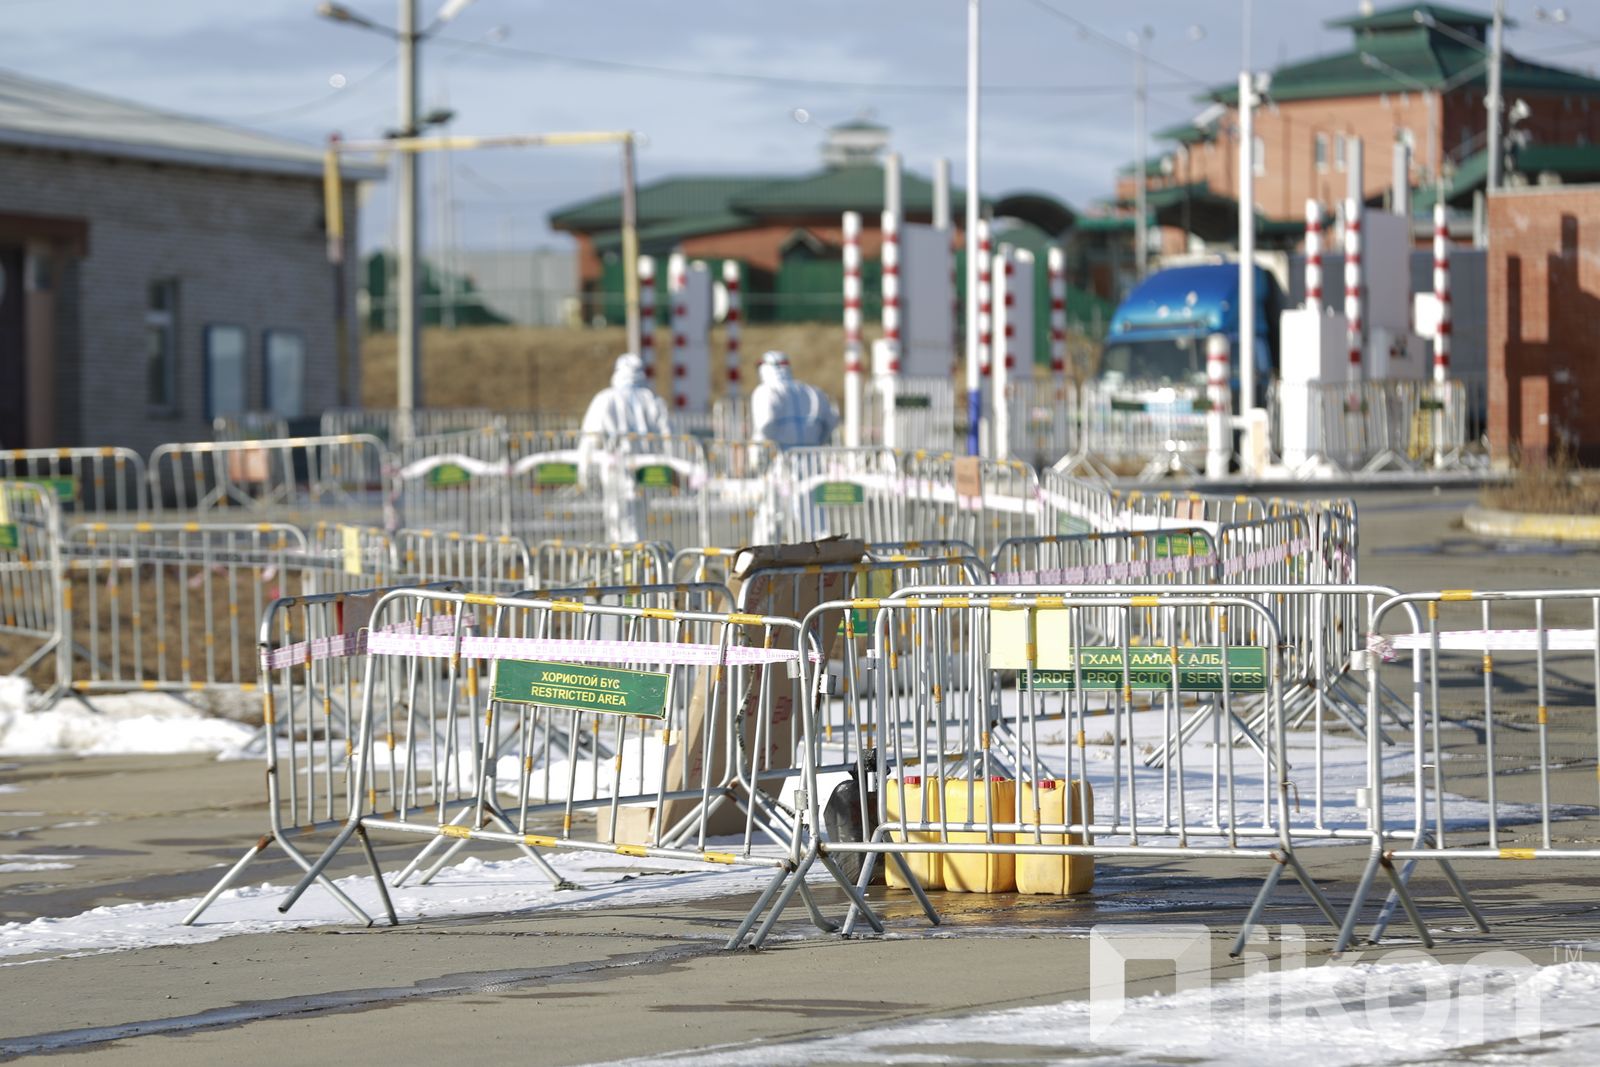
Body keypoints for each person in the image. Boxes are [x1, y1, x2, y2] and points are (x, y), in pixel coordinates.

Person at [579, 353, 673, 541]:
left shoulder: (605, 399)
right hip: (646, 470)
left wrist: (584, 471)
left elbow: (589, 438)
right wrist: (670, 469)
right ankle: (636, 561)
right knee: (638, 518)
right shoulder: (652, 399)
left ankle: (621, 562)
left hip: (614, 469)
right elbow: (669, 438)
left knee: (615, 518)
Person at [750, 350, 839, 450]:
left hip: (780, 458)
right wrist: (818, 442)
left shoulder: (765, 391)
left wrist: (760, 451)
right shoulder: (814, 391)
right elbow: (831, 422)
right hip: (812, 458)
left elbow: (765, 424)